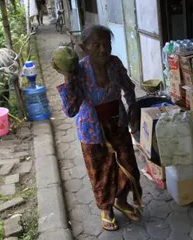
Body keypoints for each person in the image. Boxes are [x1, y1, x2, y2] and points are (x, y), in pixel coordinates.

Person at [54, 25, 142, 231]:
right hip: (91, 129)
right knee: (101, 172)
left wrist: (133, 110)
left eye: (107, 44)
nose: (103, 49)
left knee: (128, 165)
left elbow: (128, 87)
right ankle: (106, 209)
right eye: (96, 45)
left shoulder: (115, 64)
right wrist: (67, 78)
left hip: (117, 122)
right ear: (84, 47)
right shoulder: (79, 70)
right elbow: (70, 110)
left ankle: (121, 200)